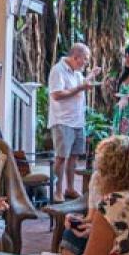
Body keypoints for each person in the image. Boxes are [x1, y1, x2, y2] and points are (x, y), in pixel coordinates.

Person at [47, 43, 99, 200]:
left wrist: (92, 76)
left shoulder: (76, 72)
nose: (87, 63)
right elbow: (56, 94)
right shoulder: (58, 70)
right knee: (61, 157)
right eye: (85, 59)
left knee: (74, 156)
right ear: (75, 57)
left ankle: (69, 188)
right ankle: (57, 191)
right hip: (63, 120)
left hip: (77, 121)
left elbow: (80, 85)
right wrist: (80, 88)